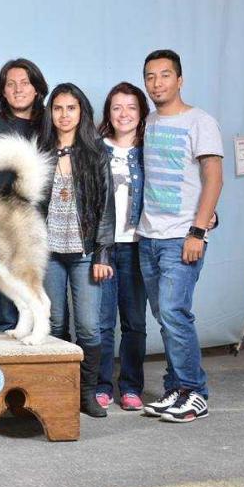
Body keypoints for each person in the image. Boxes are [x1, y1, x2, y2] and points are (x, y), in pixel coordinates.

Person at [139, 49, 223, 423]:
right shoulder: (149, 123)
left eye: (165, 75)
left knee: (175, 312)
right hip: (148, 236)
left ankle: (195, 392)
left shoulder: (200, 121)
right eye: (151, 77)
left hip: (181, 236)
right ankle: (176, 388)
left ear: (180, 80)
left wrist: (198, 231)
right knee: (164, 315)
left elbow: (213, 178)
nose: (157, 83)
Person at [37, 83, 115, 418]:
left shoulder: (95, 152)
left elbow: (107, 207)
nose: (64, 115)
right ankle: (58, 392)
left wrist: (102, 254)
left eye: (71, 108)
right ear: (50, 112)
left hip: (84, 254)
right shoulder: (39, 150)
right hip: (48, 252)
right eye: (58, 108)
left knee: (88, 327)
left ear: (81, 111)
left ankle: (86, 394)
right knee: (54, 323)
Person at [0, 58, 48, 333]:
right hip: (2, 226)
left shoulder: (50, 123)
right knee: (4, 297)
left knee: (40, 297)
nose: (18, 89)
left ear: (37, 88)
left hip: (46, 224)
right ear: (2, 91)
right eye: (10, 84)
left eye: (25, 83)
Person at [94, 82, 150, 412]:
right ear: (109, 113)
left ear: (141, 113)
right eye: (117, 107)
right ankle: (101, 385)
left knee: (134, 323)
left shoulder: (150, 150)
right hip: (105, 246)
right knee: (101, 323)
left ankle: (130, 386)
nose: (124, 113)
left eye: (131, 107)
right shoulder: (96, 150)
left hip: (138, 247)